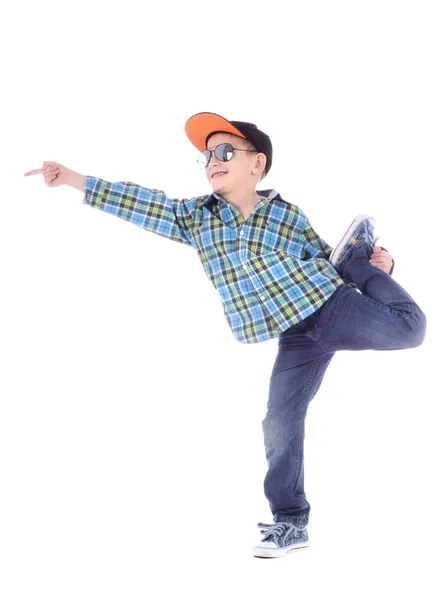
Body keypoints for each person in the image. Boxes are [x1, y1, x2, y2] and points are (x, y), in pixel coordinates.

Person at [24, 111, 427, 559]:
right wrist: (73, 179)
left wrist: (375, 262)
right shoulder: (196, 218)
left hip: (330, 304)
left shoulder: (285, 214)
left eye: (224, 151)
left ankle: (361, 256)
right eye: (206, 155)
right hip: (294, 333)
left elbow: (321, 257)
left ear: (257, 164)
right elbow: (138, 201)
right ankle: (290, 523)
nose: (212, 160)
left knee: (411, 328)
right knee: (279, 421)